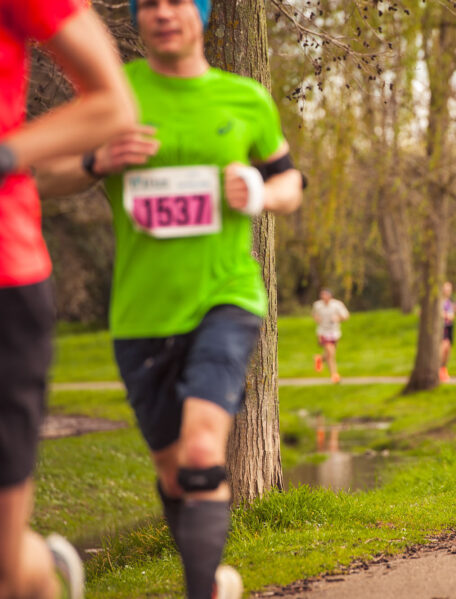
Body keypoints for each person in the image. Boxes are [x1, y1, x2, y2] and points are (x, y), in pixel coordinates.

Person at [35, 0, 303, 597]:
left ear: (201, 14)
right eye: (150, 3)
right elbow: (40, 177)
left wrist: (259, 188)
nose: (164, 13)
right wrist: (95, 162)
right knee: (174, 472)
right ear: (137, 17)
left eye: (178, 1)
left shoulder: (243, 98)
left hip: (225, 296)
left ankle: (200, 590)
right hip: (141, 312)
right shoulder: (112, 96)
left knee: (204, 448)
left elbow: (290, 182)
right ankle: (211, 579)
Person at [0, 2, 135, 598]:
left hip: (5, 280)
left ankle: (41, 574)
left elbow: (112, 103)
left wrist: (6, 154)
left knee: (5, 562)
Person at [312, 289, 350, 384]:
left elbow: (346, 316)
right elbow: (314, 314)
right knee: (331, 354)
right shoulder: (317, 305)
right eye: (322, 295)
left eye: (326, 295)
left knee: (329, 354)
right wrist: (317, 319)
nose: (324, 297)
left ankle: (320, 358)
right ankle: (334, 375)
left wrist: (339, 318)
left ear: (330, 296)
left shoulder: (337, 304)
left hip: (334, 332)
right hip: (323, 331)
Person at [439, 281, 456, 382]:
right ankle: (438, 369)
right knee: (443, 346)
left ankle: (444, 369)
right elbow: (438, 312)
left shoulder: (453, 300)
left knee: (448, 349)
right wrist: (445, 315)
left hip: (450, 327)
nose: (447, 291)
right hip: (442, 326)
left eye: (449, 289)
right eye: (445, 289)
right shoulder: (440, 301)